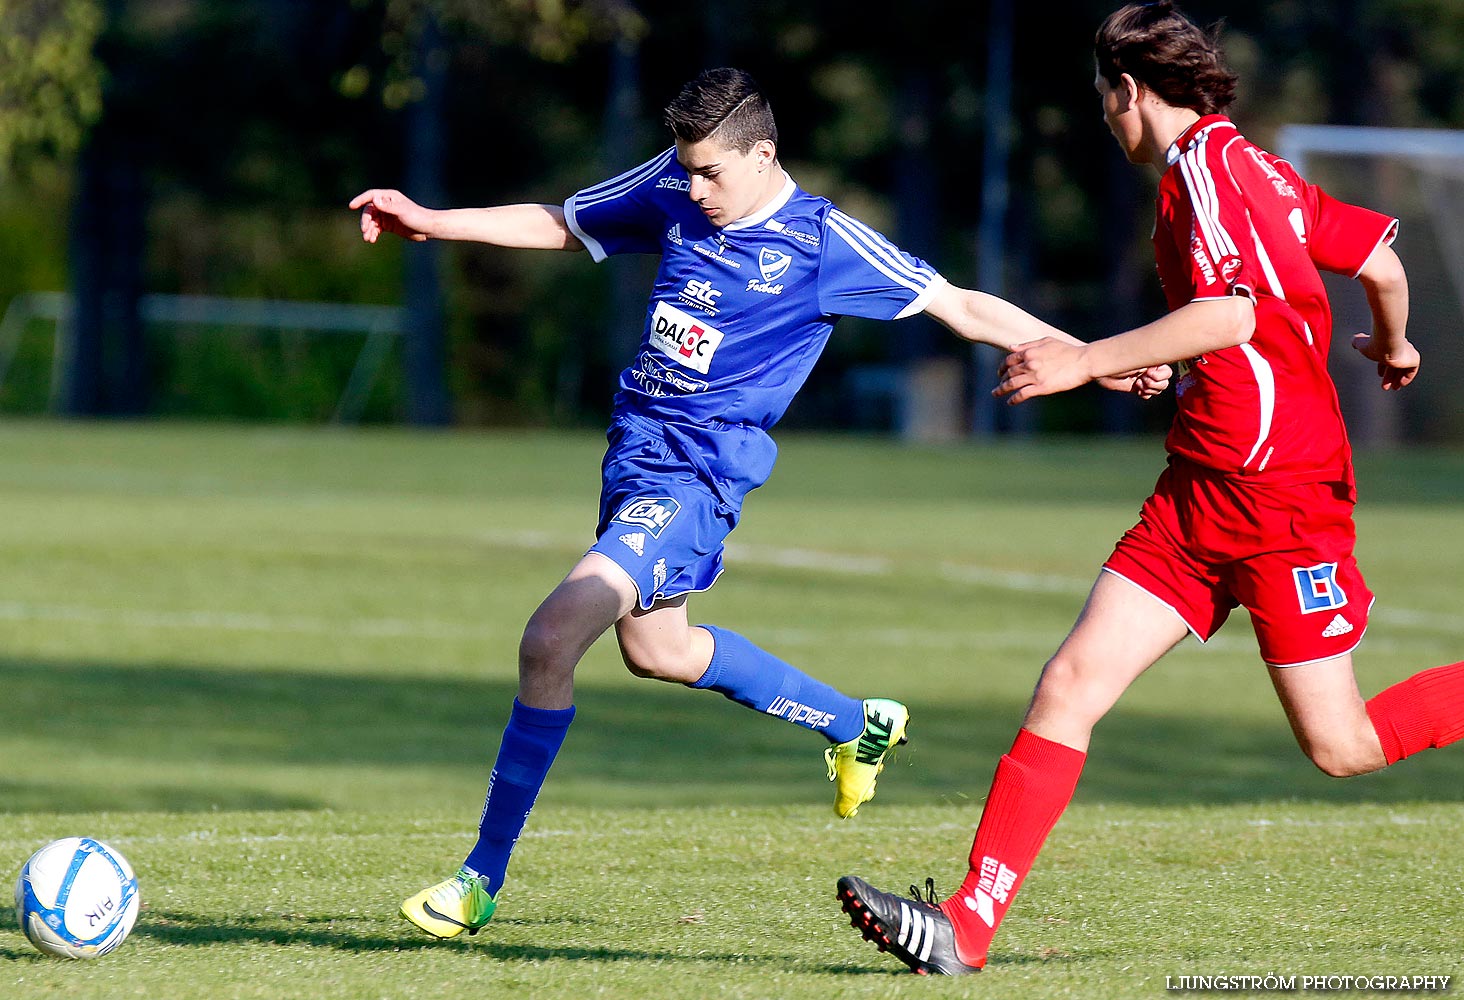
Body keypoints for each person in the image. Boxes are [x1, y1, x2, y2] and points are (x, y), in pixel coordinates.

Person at [352, 67, 1165, 939]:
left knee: (550, 637)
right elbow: (563, 220)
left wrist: (1095, 357)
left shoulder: (824, 243)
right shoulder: (672, 183)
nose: (692, 189)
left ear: (764, 154)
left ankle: (479, 878)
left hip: (694, 480)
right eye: (686, 170)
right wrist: (433, 221)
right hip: (633, 458)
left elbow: (961, 306)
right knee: (658, 650)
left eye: (711, 173)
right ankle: (857, 724)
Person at [836, 1, 1464, 976]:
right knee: (1071, 684)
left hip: (1284, 501)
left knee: (1341, 744)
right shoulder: (1254, 166)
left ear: (1131, 89)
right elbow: (1378, 262)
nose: (1102, 117)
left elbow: (1228, 313)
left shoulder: (1206, 179)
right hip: (1199, 492)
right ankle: (966, 924)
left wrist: (1086, 358)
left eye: (1103, 98)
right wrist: (1393, 342)